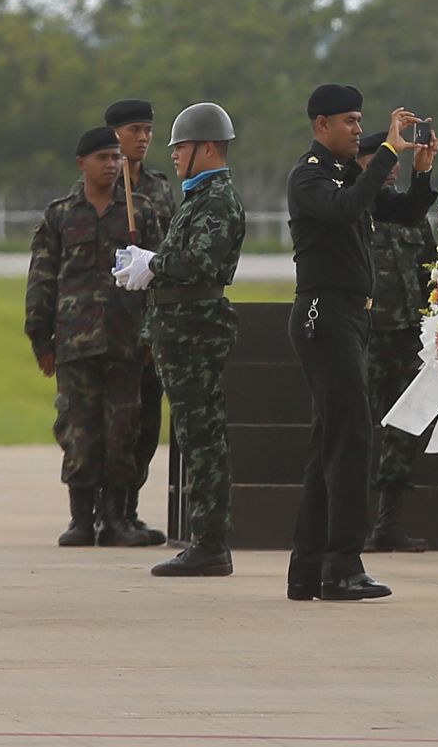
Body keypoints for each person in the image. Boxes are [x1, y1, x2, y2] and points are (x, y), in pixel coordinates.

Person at [285, 85, 437, 601]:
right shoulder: (309, 175)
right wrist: (388, 152)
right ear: (321, 124)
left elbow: (404, 212)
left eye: (361, 120)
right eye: (349, 121)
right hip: (324, 314)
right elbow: (349, 204)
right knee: (351, 441)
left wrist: (420, 169)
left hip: (350, 317)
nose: (357, 129)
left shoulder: (347, 173)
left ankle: (309, 568)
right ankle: (342, 566)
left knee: (330, 443)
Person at [115, 103, 247, 576]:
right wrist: (150, 265)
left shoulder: (215, 200)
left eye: (181, 147)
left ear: (207, 148)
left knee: (203, 439)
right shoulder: (199, 198)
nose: (173, 156)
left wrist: (154, 264)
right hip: (181, 332)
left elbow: (199, 264)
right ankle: (207, 539)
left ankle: (211, 543)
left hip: (195, 334)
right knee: (195, 438)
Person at [25, 127, 161, 549]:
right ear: (81, 162)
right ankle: (81, 518)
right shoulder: (61, 214)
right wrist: (41, 340)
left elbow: (157, 279)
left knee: (123, 429)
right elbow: (42, 279)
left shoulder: (140, 213)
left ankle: (117, 518)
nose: (111, 165)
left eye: (116, 158)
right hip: (75, 343)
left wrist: (151, 337)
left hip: (125, 341)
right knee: (78, 430)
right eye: (102, 157)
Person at [350, 131, 438, 553]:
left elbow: (431, 270)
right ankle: (353, 522)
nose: (393, 169)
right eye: (382, 160)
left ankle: (389, 521)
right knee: (357, 431)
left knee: (405, 429)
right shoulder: (352, 208)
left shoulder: (409, 214)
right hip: (365, 336)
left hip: (407, 335)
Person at [105, 98, 176, 546]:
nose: (144, 138)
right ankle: (102, 513)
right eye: (135, 130)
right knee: (110, 425)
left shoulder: (160, 187)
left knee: (146, 425)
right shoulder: (100, 186)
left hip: (150, 323)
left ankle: (128, 511)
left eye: (148, 130)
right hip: (108, 324)